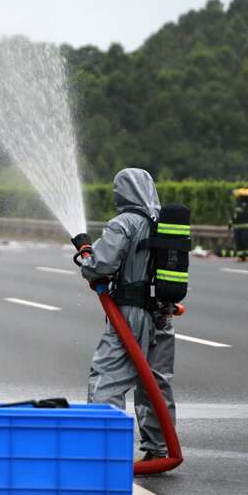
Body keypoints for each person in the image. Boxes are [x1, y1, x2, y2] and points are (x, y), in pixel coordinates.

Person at [77, 168, 176, 461]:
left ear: (124, 192)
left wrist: (86, 255)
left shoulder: (124, 223)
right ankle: (160, 448)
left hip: (131, 315)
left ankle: (101, 450)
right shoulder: (162, 224)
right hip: (162, 313)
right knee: (154, 385)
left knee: (106, 377)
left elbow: (99, 265)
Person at [230, 188, 248, 262]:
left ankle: (247, 256)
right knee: (239, 243)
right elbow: (234, 217)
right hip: (238, 228)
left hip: (245, 228)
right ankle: (240, 257)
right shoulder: (239, 206)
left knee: (245, 242)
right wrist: (230, 223)